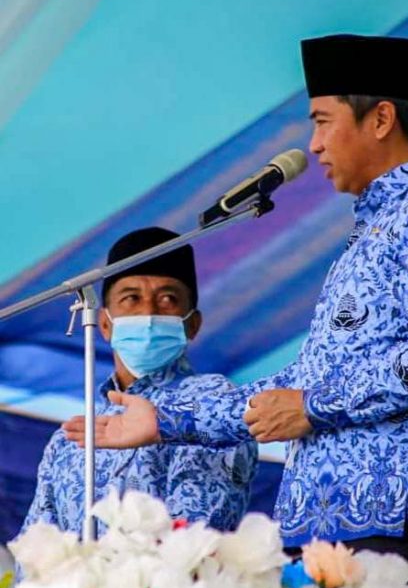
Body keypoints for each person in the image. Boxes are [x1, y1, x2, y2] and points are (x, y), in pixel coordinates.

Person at [64, 35, 408, 588]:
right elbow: (300, 387)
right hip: (328, 541)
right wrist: (167, 419)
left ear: (381, 119)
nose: (313, 145)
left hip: (397, 532)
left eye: (322, 121)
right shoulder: (376, 228)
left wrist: (312, 406)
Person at [24, 227, 257, 536]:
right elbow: (35, 548)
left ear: (193, 324)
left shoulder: (213, 402)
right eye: (131, 298)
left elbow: (193, 534)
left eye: (168, 298)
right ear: (104, 324)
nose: (148, 311)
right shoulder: (69, 440)